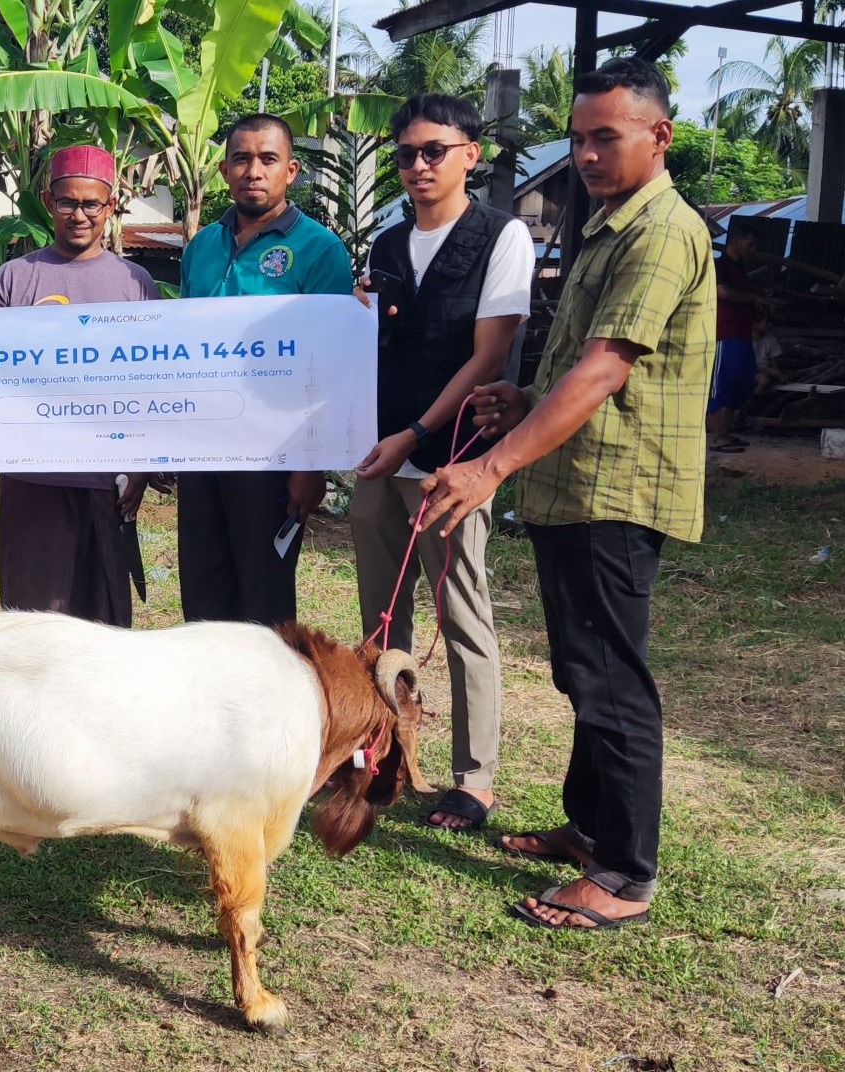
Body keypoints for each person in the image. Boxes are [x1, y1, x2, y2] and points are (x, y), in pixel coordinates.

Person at [419, 56, 714, 930]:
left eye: (605, 137)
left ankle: (623, 876)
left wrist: (488, 465)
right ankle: (589, 829)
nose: (585, 154)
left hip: (617, 491)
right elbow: (573, 372)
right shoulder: (610, 226)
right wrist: (519, 402)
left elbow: (602, 373)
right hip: (576, 485)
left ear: (659, 137)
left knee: (611, 682)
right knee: (583, 672)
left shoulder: (661, 232)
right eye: (579, 138)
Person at [353, 94, 533, 831]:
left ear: (471, 154)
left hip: (454, 456)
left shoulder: (501, 236)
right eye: (405, 154)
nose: (419, 165)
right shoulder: (387, 246)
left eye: (434, 150)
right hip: (378, 453)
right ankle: (381, 754)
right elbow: (372, 346)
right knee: (381, 617)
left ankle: (474, 779)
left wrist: (417, 433)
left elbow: (490, 353)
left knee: (462, 614)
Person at [177, 113, 354, 626]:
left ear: (291, 170)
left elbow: (330, 362)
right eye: (241, 159)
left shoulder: (320, 250)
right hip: (202, 447)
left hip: (273, 455)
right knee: (203, 594)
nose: (254, 170)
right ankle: (209, 705)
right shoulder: (202, 247)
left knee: (264, 600)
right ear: (225, 170)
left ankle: (268, 705)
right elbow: (183, 346)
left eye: (268, 159)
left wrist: (310, 464)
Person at [0, 144, 159, 625]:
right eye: (67, 202)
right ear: (47, 200)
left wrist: (142, 465)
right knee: (33, 617)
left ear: (110, 204)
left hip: (107, 479)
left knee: (103, 625)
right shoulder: (14, 280)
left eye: (91, 204)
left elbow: (155, 382)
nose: (79, 215)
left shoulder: (136, 283)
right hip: (32, 478)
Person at [709, 226, 761, 452]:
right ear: (736, 241)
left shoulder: (740, 269)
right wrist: (753, 297)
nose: (752, 249)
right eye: (749, 244)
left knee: (741, 381)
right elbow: (722, 292)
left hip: (742, 332)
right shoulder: (720, 266)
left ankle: (726, 433)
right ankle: (718, 436)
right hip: (724, 332)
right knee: (724, 382)